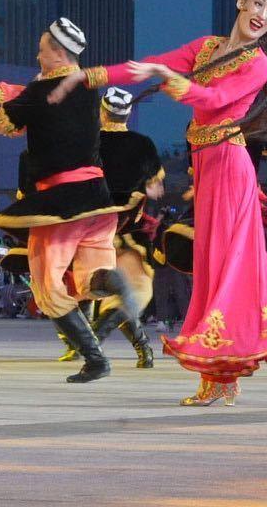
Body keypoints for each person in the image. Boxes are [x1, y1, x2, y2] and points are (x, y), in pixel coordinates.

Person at [50, 0, 267, 407]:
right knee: (217, 268)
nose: (263, 14)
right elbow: (147, 66)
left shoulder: (257, 64)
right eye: (258, 3)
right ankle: (229, 375)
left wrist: (174, 81)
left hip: (231, 167)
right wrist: (87, 77)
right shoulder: (206, 47)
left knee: (236, 267)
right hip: (208, 167)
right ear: (241, 2)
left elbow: (213, 100)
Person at [0, 17, 139, 383]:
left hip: (60, 205)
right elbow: (44, 102)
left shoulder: (38, 91)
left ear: (57, 53)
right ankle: (114, 282)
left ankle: (95, 359)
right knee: (91, 278)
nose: (37, 55)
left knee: (47, 288)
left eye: (42, 49)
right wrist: (5, 92)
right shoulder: (88, 87)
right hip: (98, 200)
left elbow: (3, 125)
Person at [89, 87, 165, 368]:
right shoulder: (142, 145)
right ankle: (94, 340)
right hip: (129, 232)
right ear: (128, 114)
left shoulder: (89, 144)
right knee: (134, 292)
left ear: (102, 112)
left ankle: (136, 349)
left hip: (92, 232)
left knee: (117, 295)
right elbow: (156, 187)